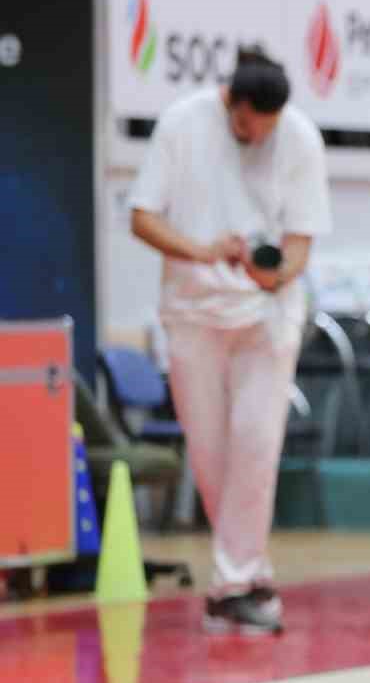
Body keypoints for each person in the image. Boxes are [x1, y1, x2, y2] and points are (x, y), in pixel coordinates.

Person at [128, 47, 331, 636]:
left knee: (256, 445)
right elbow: (142, 216)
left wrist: (276, 274)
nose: (258, 135)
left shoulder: (301, 139)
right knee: (211, 454)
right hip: (192, 313)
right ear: (230, 103)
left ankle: (232, 586)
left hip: (266, 316)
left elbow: (300, 243)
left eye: (268, 126)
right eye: (248, 124)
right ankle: (247, 577)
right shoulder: (182, 123)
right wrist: (203, 251)